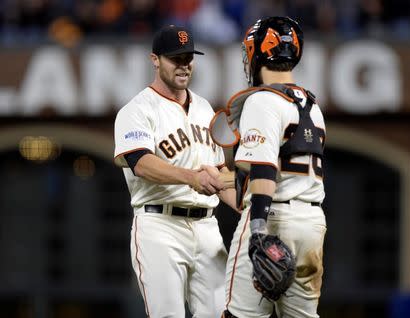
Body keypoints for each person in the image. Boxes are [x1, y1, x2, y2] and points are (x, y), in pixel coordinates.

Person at [114, 25, 235, 318]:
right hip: (160, 226)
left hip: (207, 227)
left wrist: (254, 213)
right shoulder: (137, 110)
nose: (184, 65)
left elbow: (219, 174)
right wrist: (193, 178)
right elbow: (140, 163)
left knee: (221, 314)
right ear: (155, 59)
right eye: (175, 58)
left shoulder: (205, 109)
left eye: (188, 57)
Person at [210, 16, 327, 318]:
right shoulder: (312, 106)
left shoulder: (262, 101)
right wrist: (220, 180)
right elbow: (281, 168)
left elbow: (264, 171)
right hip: (312, 223)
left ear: (256, 52)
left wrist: (258, 229)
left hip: (272, 219)